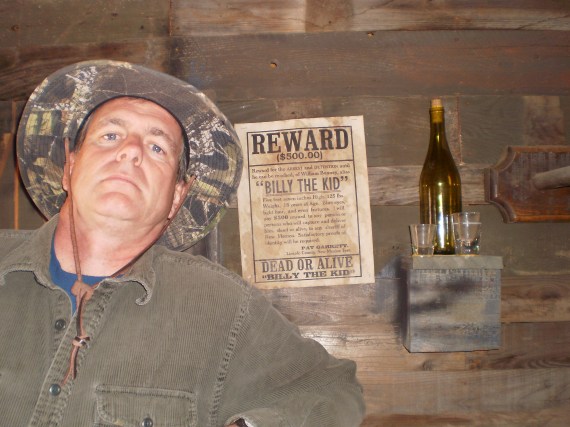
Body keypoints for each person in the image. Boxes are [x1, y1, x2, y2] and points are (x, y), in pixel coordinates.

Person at [0, 60, 365, 426]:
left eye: (157, 147)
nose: (131, 151)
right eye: (110, 136)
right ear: (69, 168)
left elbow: (330, 390)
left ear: (177, 197)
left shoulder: (223, 306)